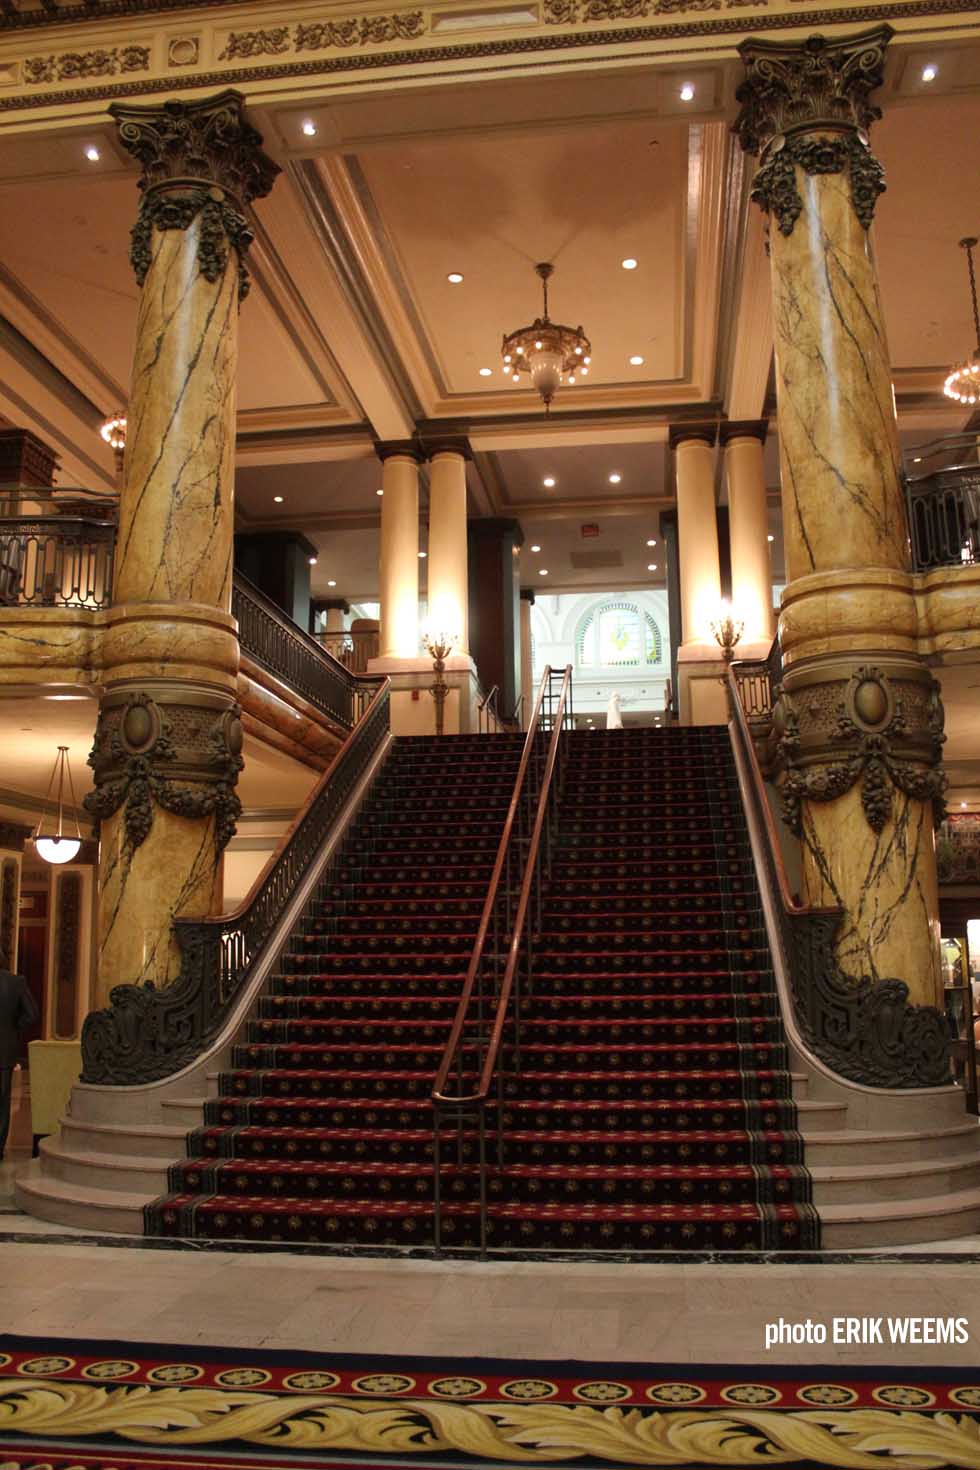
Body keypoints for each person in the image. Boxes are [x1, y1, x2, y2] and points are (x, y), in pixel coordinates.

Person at [0, 964, 38, 1161]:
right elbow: (32, 1014)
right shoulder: (16, 982)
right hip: (5, 1050)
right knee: (2, 1100)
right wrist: (14, 1029)